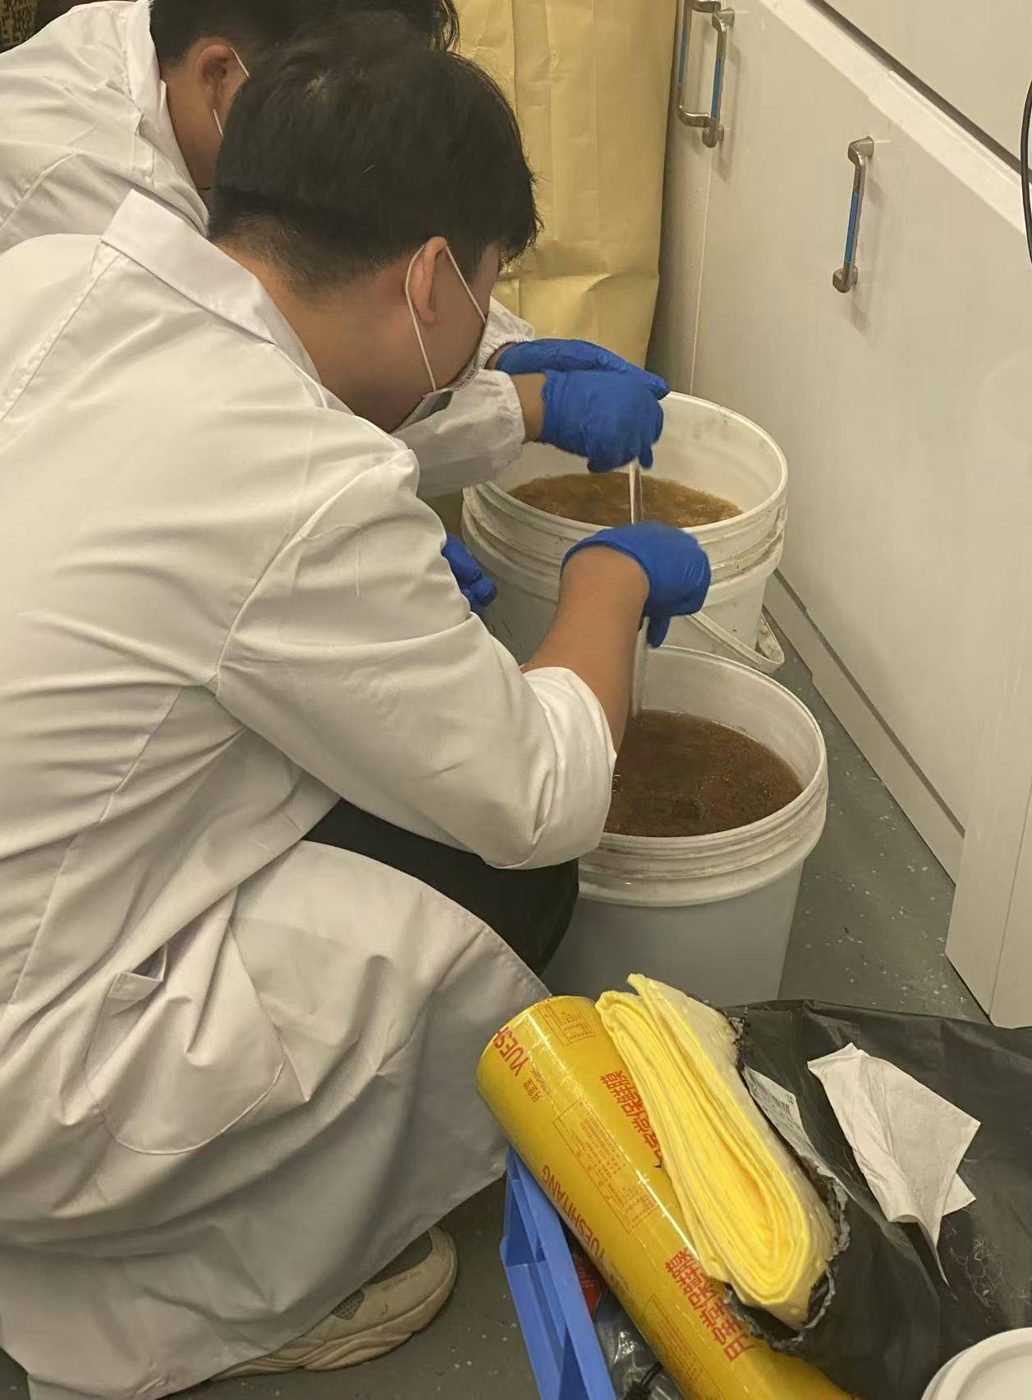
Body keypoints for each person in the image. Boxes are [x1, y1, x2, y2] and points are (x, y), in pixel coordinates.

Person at [0, 17, 710, 1399]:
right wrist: (610, 583)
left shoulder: (52, 279)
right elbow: (540, 787)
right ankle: (236, 1286)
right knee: (501, 879)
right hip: (37, 1087)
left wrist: (511, 410)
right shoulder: (305, 488)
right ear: (435, 272)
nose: (480, 332)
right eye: (489, 295)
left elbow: (263, 398)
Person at [0, 0, 669, 498]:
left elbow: (333, 257)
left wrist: (490, 342)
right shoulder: (85, 188)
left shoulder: (189, 42)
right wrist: (522, 408)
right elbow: (269, 424)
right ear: (218, 73)